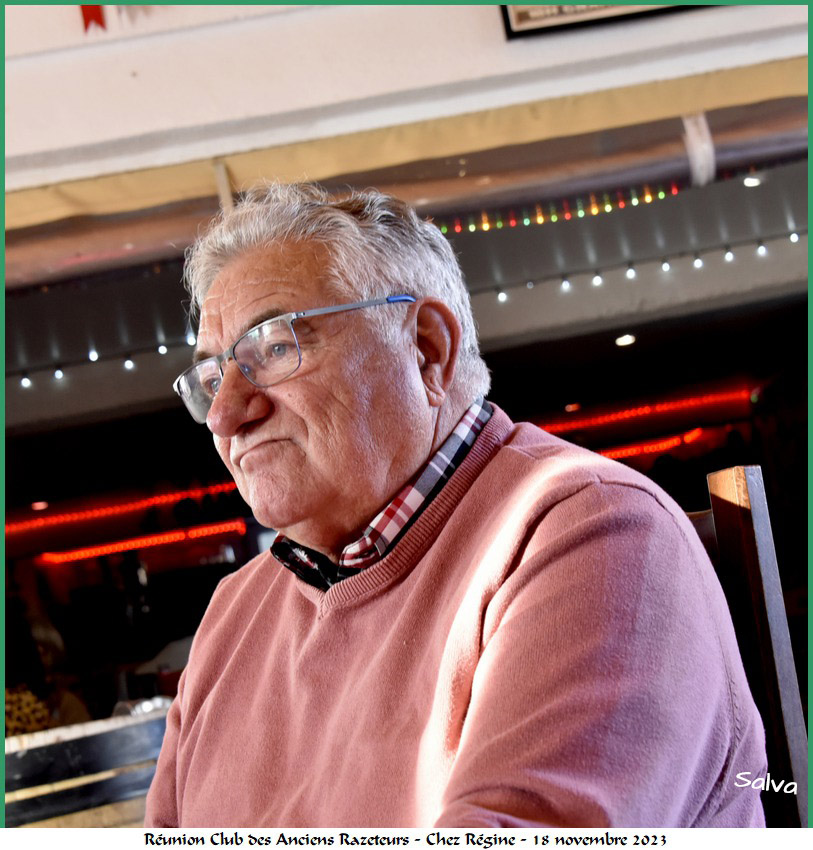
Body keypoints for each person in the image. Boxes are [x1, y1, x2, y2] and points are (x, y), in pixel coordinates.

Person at [145, 183, 766, 828]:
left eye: (275, 347)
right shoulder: (233, 612)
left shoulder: (594, 532)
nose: (224, 414)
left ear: (427, 349)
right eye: (213, 377)